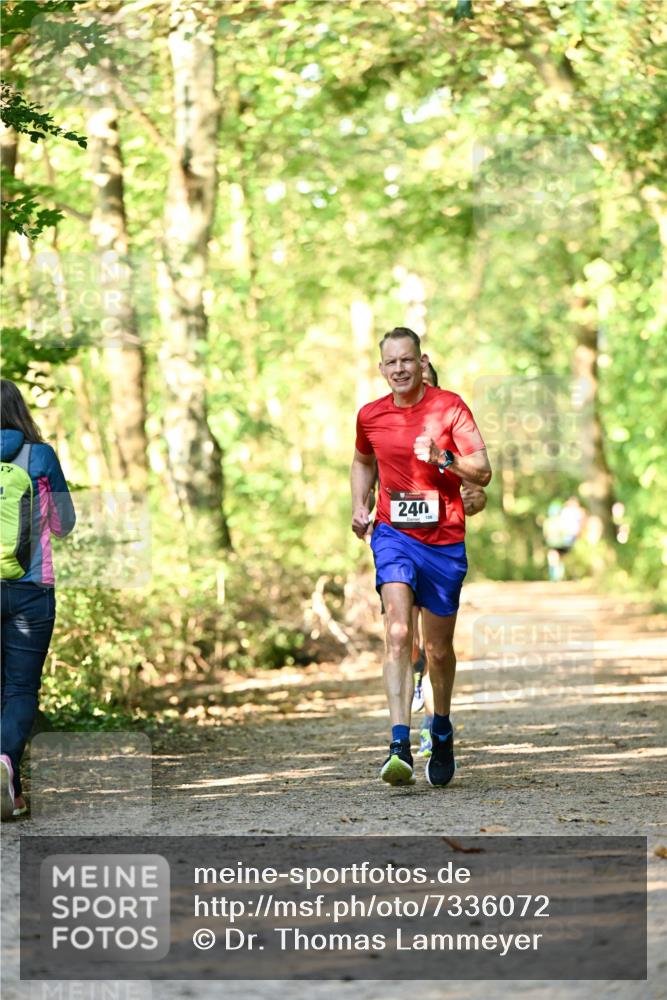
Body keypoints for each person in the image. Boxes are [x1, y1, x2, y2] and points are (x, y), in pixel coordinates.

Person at [351, 328, 491, 787]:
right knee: (395, 628)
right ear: (381, 368)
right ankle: (398, 745)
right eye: (390, 363)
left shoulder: (451, 407)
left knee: (437, 649)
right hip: (393, 534)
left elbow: (483, 473)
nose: (399, 370)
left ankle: (443, 728)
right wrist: (360, 504)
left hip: (444, 541)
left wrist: (443, 458)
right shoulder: (370, 416)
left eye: (406, 361)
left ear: (420, 360)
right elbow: (363, 460)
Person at [0, 379, 76, 819]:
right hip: (32, 589)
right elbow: (65, 524)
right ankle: (7, 764)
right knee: (21, 688)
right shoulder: (40, 454)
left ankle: (13, 784)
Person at [542, 496, 586, 582]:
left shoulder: (550, 521)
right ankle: (557, 576)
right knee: (559, 560)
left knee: (554, 559)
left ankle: (556, 576)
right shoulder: (557, 521)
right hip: (560, 543)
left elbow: (546, 534)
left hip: (557, 544)